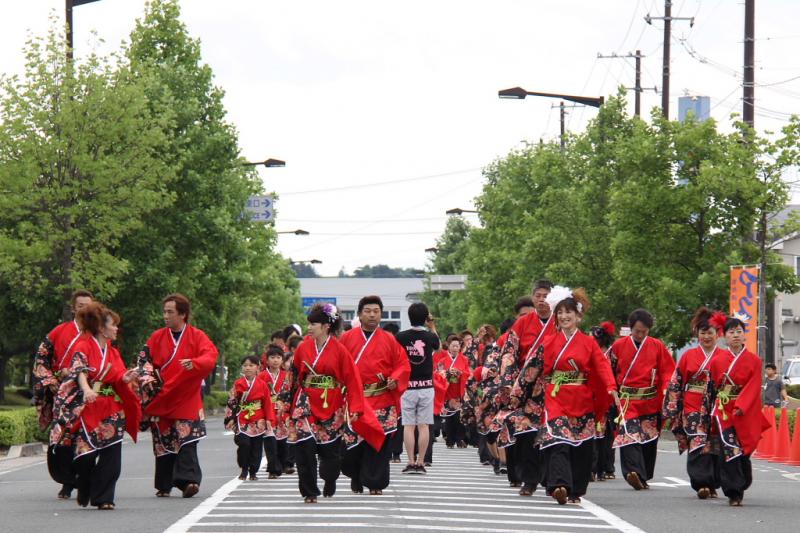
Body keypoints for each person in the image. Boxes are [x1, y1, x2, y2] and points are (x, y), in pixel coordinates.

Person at [523, 287, 618, 505]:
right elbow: (532, 369)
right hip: (556, 398)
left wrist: (611, 387)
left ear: (578, 316)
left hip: (582, 398)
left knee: (581, 447)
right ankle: (560, 485)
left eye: (569, 313)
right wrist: (518, 391)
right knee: (557, 440)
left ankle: (575, 489)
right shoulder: (548, 342)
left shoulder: (588, 343)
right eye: (560, 313)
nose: (564, 317)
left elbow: (602, 366)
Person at [50, 303, 140, 510]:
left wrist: (126, 377)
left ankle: (104, 498)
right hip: (89, 405)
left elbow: (117, 375)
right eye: (113, 325)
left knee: (111, 454)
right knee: (85, 456)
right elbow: (80, 370)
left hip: (110, 406)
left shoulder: (113, 352)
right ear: (101, 327)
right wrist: (87, 389)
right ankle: (84, 483)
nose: (117, 328)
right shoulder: (83, 346)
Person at [287, 303, 372, 503]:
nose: (309, 327)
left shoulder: (340, 350)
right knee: (304, 446)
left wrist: (356, 407)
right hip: (305, 402)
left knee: (329, 454)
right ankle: (309, 491)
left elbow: (352, 380)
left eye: (313, 323)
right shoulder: (303, 348)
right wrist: (286, 404)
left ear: (326, 326)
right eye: (308, 323)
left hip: (331, 402)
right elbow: (294, 376)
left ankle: (330, 479)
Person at [137, 293, 219, 498]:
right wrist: (148, 380)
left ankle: (189, 481)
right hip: (163, 395)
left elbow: (210, 356)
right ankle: (164, 483)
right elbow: (144, 363)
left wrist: (195, 363)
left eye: (170, 312)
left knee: (188, 438)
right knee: (164, 439)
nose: (165, 316)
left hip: (187, 395)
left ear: (183, 314)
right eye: (164, 312)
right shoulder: (156, 337)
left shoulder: (197, 336)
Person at [341, 296, 410, 495]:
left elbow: (402, 365)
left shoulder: (389, 339)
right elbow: (338, 365)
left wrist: (395, 379)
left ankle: (375, 483)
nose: (372, 315)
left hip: (382, 397)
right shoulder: (347, 338)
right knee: (352, 445)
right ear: (360, 314)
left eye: (376, 311)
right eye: (368, 311)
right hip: (355, 400)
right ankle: (356, 474)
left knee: (378, 443)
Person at [32, 289, 94, 499]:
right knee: (63, 439)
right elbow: (41, 360)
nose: (85, 310)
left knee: (85, 438)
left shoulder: (98, 333)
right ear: (73, 309)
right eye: (80, 306)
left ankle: (84, 480)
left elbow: (106, 362)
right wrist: (53, 379)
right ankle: (67, 482)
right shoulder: (58, 332)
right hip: (63, 394)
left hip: (88, 393)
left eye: (89, 305)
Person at [663, 307, 726, 500]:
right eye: (702, 333)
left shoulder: (724, 356)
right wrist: (672, 406)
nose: (706, 337)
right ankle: (701, 484)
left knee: (714, 445)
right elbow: (676, 381)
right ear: (697, 334)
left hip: (716, 406)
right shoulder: (688, 356)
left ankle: (713, 482)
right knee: (698, 442)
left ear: (718, 334)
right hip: (693, 405)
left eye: (710, 333)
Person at [611, 309, 675, 491]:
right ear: (631, 328)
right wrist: (612, 389)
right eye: (637, 331)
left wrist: (666, 388)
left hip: (649, 399)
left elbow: (668, 370)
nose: (640, 335)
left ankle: (643, 474)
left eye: (644, 332)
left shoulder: (657, 346)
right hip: (627, 400)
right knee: (629, 435)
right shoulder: (618, 346)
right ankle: (633, 472)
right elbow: (608, 369)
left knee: (648, 439)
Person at [502, 279, 556, 495]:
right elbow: (509, 353)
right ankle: (530, 480)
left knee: (553, 433)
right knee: (526, 434)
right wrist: (509, 382)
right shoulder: (523, 324)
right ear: (533, 297)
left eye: (546, 296)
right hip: (526, 386)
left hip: (553, 386)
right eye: (538, 296)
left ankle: (551, 478)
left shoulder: (560, 321)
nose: (542, 300)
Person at [711, 316, 770, 506]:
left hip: (745, 409)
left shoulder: (754, 360)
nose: (735, 335)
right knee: (729, 448)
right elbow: (713, 386)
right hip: (724, 411)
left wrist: (741, 406)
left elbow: (753, 386)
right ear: (724, 336)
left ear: (744, 335)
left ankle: (742, 481)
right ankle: (733, 492)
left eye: (739, 332)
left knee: (744, 448)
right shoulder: (717, 359)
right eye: (731, 332)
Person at [396, 302, 440, 474]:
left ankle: (410, 461)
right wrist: (432, 325)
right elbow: (439, 346)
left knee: (408, 425)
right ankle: (421, 462)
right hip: (426, 386)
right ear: (425, 317)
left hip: (407, 386)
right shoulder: (429, 336)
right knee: (423, 425)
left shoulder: (400, 337)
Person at [225, 355, 275, 481]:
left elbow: (267, 403)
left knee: (256, 447)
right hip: (242, 417)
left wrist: (269, 419)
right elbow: (232, 402)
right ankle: (244, 469)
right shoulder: (238, 384)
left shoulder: (262, 384)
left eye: (251, 365)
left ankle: (253, 471)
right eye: (245, 365)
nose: (248, 368)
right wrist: (230, 418)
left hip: (258, 419)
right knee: (244, 444)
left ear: (257, 367)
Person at [259, 345, 293, 478]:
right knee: (270, 441)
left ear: (282, 360)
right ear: (267, 360)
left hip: (283, 411)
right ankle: (273, 469)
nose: (275, 360)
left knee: (284, 441)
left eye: (278, 357)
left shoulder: (287, 376)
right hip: (267, 411)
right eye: (272, 357)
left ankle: (284, 464)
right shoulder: (262, 376)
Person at [589, 322, 618, 482]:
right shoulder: (589, 352)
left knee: (606, 434)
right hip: (591, 394)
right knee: (596, 433)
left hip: (607, 395)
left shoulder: (610, 354)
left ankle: (605, 467)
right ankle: (594, 469)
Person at [435, 335, 470, 448]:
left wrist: (460, 373)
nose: (455, 348)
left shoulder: (464, 359)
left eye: (457, 346)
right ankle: (449, 440)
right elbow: (438, 374)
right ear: (448, 347)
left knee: (459, 417)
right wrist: (447, 373)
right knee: (449, 418)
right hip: (447, 390)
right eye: (453, 346)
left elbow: (468, 373)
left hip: (459, 390)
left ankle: (459, 439)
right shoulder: (442, 360)